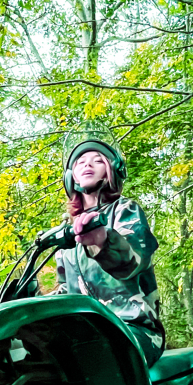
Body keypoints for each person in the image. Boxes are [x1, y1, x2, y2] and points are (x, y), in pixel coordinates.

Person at [53, 138, 166, 367]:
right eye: (81, 162)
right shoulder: (68, 231)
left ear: (111, 171)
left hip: (131, 328)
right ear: (71, 176)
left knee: (95, 358)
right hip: (84, 332)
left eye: (98, 160)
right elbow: (65, 290)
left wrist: (103, 241)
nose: (88, 164)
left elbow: (133, 260)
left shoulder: (126, 210)